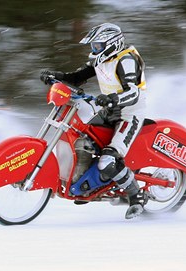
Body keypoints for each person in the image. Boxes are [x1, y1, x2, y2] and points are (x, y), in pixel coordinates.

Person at [41, 23, 147, 219]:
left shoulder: (126, 60)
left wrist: (112, 98)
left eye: (97, 46)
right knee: (82, 142)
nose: (94, 50)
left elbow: (133, 92)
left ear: (111, 44)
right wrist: (56, 76)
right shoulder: (101, 60)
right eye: (93, 46)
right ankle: (86, 186)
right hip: (108, 112)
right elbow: (77, 77)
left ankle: (136, 196)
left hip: (128, 114)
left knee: (108, 159)